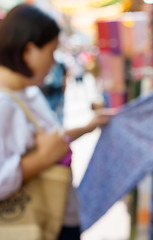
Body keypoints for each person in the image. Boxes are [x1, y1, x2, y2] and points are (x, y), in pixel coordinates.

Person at [0, 4, 115, 240]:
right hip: (34, 223)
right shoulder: (4, 103)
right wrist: (43, 159)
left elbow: (49, 138)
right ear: (29, 51)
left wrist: (88, 126)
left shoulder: (28, 92)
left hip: (56, 216)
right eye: (51, 52)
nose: (53, 63)